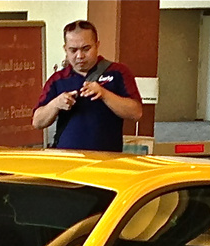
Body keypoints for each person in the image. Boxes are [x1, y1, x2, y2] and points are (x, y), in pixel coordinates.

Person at [30, 20, 142, 152]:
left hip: (106, 160)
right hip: (66, 159)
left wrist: (104, 94)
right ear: (65, 49)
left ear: (97, 45)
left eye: (86, 49)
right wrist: (56, 104)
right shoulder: (57, 80)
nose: (80, 56)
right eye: (73, 50)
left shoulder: (118, 72)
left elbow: (136, 113)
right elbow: (37, 122)